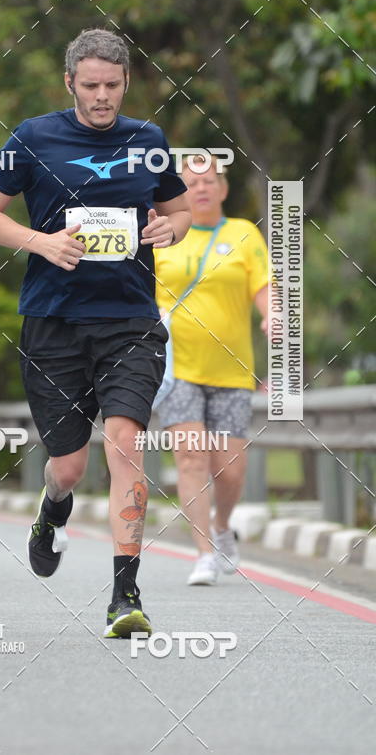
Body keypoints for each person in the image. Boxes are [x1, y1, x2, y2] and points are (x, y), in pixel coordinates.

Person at [0, 28, 191, 638]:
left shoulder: (148, 141)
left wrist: (172, 230)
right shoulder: (34, 137)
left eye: (112, 87)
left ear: (126, 83)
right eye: (90, 86)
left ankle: (125, 594)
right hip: (54, 324)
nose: (101, 98)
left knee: (125, 444)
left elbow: (179, 210)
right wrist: (41, 241)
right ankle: (52, 511)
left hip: (130, 322)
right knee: (66, 466)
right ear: (69, 83)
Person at [154, 155, 269, 585]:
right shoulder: (164, 233)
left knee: (230, 470)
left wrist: (271, 316)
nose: (200, 188)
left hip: (232, 371)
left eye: (209, 181)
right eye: (191, 182)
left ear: (223, 188)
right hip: (177, 366)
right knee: (190, 457)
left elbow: (264, 285)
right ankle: (203, 554)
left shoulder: (243, 234)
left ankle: (222, 527)